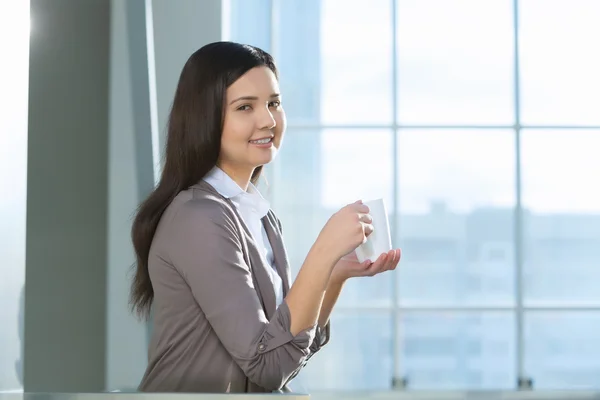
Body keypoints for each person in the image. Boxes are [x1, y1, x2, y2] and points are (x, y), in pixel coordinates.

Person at [129, 41, 401, 393]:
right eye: (245, 107)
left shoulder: (259, 217)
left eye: (274, 103)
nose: (268, 120)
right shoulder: (198, 218)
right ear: (205, 117)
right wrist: (322, 252)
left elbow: (285, 351)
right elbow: (267, 366)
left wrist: (332, 276)